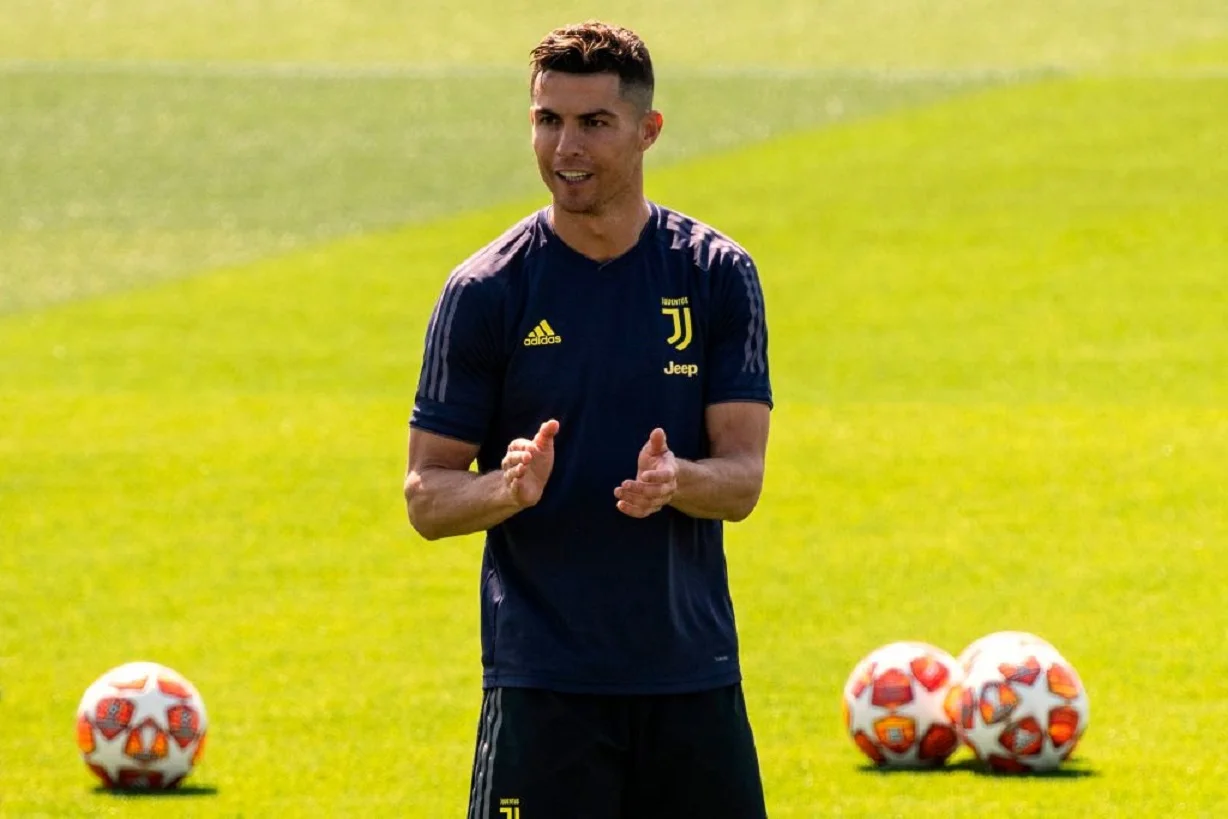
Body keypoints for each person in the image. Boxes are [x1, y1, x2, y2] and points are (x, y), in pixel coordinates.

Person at [404, 19, 772, 819]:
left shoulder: (715, 275)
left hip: (690, 677)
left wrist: (677, 480)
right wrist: (504, 490)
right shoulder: (485, 292)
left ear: (648, 129)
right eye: (548, 120)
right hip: (544, 685)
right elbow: (426, 495)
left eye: (594, 122)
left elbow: (743, 480)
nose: (565, 147)